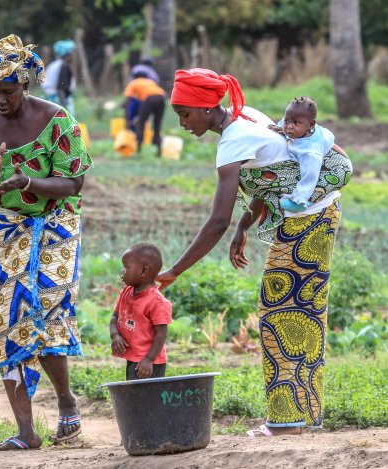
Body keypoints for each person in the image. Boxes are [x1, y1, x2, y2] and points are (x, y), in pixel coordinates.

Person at [156, 68, 352, 437]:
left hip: (306, 218)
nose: (182, 123)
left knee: (278, 313)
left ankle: (285, 421)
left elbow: (216, 220)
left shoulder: (233, 140)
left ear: (208, 107)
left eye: (185, 113)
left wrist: (174, 270)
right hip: (316, 213)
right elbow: (273, 171)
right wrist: (244, 226)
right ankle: (303, 415)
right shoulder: (247, 115)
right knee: (302, 311)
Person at [0, 34, 93, 450]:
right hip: (3, 227)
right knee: (8, 320)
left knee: (49, 317)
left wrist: (30, 181)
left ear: (24, 85)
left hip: (54, 227)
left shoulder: (57, 120)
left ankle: (66, 402)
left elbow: (74, 182)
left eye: (7, 92)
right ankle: (26, 431)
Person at [110, 243, 172, 380]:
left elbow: (161, 333)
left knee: (145, 396)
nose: (123, 271)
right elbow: (115, 317)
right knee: (134, 393)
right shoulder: (126, 292)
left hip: (150, 362)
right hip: (134, 356)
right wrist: (115, 336)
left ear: (143, 271)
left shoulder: (157, 302)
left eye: (126, 267)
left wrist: (149, 359)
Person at [268, 96, 337, 212]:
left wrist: (299, 198)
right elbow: (288, 124)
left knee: (309, 174)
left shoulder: (310, 153)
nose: (289, 126)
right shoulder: (299, 129)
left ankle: (300, 202)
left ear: (311, 125)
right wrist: (281, 128)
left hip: (325, 172)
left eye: (296, 123)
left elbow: (310, 177)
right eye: (286, 121)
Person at [123, 72, 166, 155]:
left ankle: (138, 149)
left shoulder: (134, 82)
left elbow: (127, 101)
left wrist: (127, 120)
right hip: (161, 98)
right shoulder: (150, 82)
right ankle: (159, 151)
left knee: (141, 123)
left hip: (149, 98)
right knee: (157, 125)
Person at [41, 39, 76, 115]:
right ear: (67, 54)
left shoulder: (53, 65)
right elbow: (61, 88)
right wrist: (65, 109)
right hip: (58, 101)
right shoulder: (64, 66)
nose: (73, 55)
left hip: (48, 100)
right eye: (72, 53)